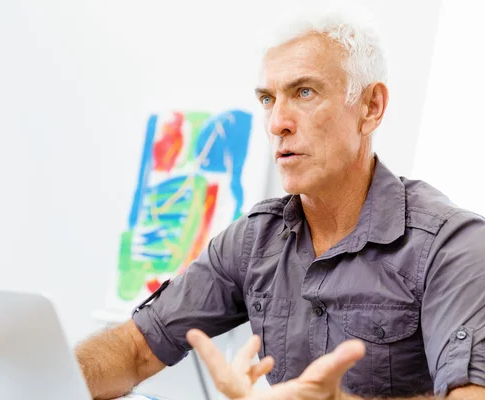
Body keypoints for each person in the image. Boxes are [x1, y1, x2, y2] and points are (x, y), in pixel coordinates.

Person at [74, 4, 485, 400]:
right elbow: (136, 348)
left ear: (370, 107)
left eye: (304, 92)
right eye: (268, 99)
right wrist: (43, 380)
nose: (277, 123)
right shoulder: (253, 241)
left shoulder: (453, 246)